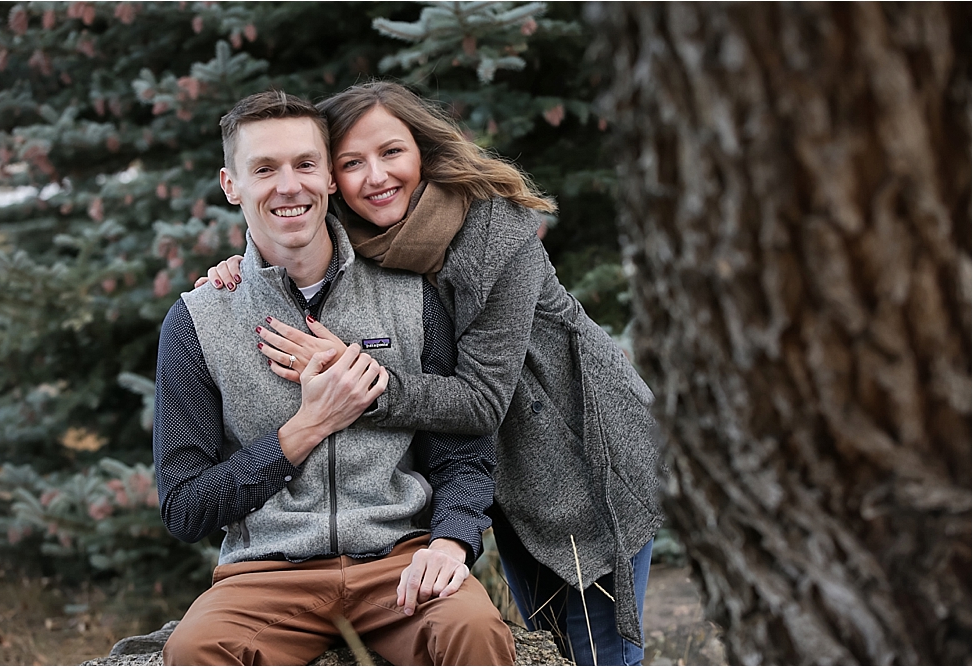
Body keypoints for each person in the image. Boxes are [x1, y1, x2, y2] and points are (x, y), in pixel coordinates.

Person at [200, 81, 663, 666]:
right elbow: (284, 217)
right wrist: (242, 271)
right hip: (505, 475)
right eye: (351, 163)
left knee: (600, 654)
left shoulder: (496, 234)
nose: (375, 177)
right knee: (552, 645)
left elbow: (479, 401)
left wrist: (354, 377)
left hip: (580, 454)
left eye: (392, 152)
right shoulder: (364, 233)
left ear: (423, 150)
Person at [154, 90, 515, 666]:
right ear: (231, 185)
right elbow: (184, 506)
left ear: (328, 178)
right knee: (195, 651)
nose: (288, 185)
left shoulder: (410, 297)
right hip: (263, 579)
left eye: (304, 164)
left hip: (398, 561)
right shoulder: (199, 321)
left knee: (474, 630)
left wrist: (451, 541)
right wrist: (306, 428)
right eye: (264, 169)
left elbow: (461, 455)